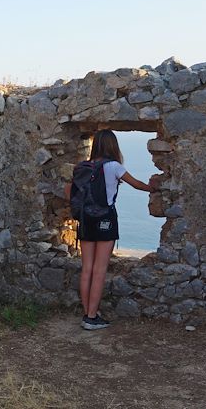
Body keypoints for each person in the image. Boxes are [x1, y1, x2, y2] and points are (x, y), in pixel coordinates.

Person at [64, 130, 155, 330]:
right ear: (113, 146)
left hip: (86, 220)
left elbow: (69, 191)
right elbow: (137, 184)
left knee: (87, 268)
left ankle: (87, 312)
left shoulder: (82, 167)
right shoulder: (113, 166)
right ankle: (91, 317)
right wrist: (154, 187)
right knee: (100, 270)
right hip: (105, 219)